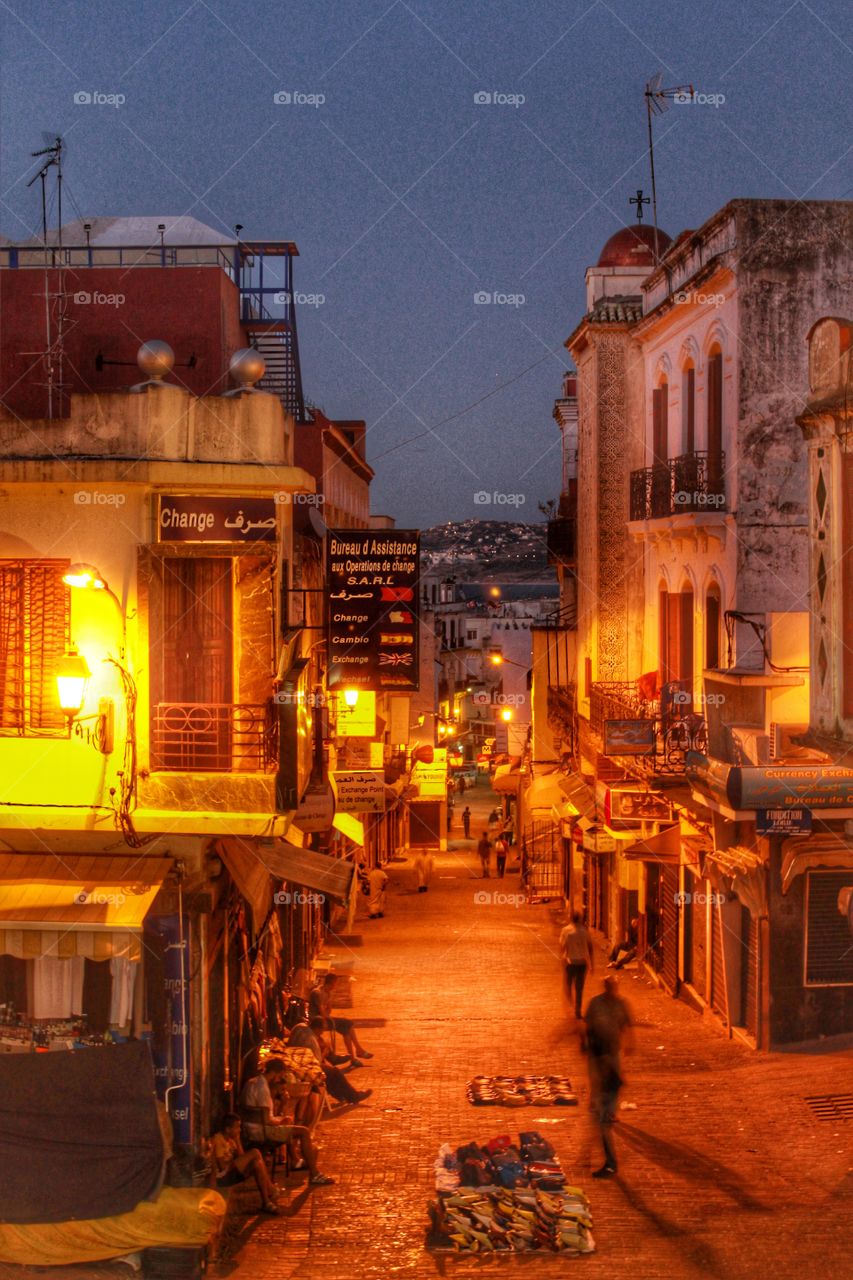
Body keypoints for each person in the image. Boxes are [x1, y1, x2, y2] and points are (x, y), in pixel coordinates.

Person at [240, 1057, 333, 1186]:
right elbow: (267, 1119)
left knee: (289, 1124)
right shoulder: (262, 1088)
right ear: (276, 1073)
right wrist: (282, 1120)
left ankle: (294, 1159)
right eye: (280, 1076)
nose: (279, 1079)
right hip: (260, 1130)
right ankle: (314, 1173)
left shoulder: (252, 1082)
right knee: (304, 1132)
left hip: (250, 1126)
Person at [583, 976, 634, 1177]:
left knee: (603, 1127)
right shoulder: (596, 1003)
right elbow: (587, 1025)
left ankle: (611, 1164)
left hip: (610, 1054)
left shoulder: (621, 1004)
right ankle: (609, 1162)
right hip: (603, 1057)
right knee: (601, 1126)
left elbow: (627, 1025)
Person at [290, 1018, 373, 1106]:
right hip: (304, 1068)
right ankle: (354, 1096)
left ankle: (342, 1095)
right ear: (318, 1029)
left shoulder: (299, 1027)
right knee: (334, 1073)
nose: (321, 1033)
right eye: (322, 1030)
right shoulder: (311, 1041)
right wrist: (324, 1053)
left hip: (295, 1061)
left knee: (331, 1073)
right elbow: (316, 1063)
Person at [210, 1113, 280, 1213]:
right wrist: (237, 1162)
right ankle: (271, 1189)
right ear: (228, 1129)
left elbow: (241, 1157)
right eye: (237, 1127)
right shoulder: (218, 1139)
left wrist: (238, 1141)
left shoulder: (231, 1140)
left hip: (231, 1173)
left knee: (256, 1164)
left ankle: (266, 1202)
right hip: (222, 1177)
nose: (240, 1130)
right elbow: (222, 1167)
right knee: (255, 1152)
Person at [309, 973, 374, 1064]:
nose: (336, 986)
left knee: (346, 1028)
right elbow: (322, 1012)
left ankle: (353, 1057)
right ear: (331, 983)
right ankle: (358, 1051)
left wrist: (329, 1002)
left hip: (323, 1018)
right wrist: (328, 1019)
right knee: (348, 1024)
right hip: (316, 1021)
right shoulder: (318, 992)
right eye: (335, 983)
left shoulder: (327, 993)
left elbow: (327, 1011)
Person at [559, 911, 594, 1019]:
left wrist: (561, 958)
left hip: (570, 962)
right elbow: (590, 947)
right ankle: (577, 1010)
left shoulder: (566, 930)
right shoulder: (585, 931)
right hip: (582, 963)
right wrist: (591, 964)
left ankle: (571, 1004)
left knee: (568, 986)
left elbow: (562, 946)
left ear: (571, 918)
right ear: (579, 919)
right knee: (579, 988)